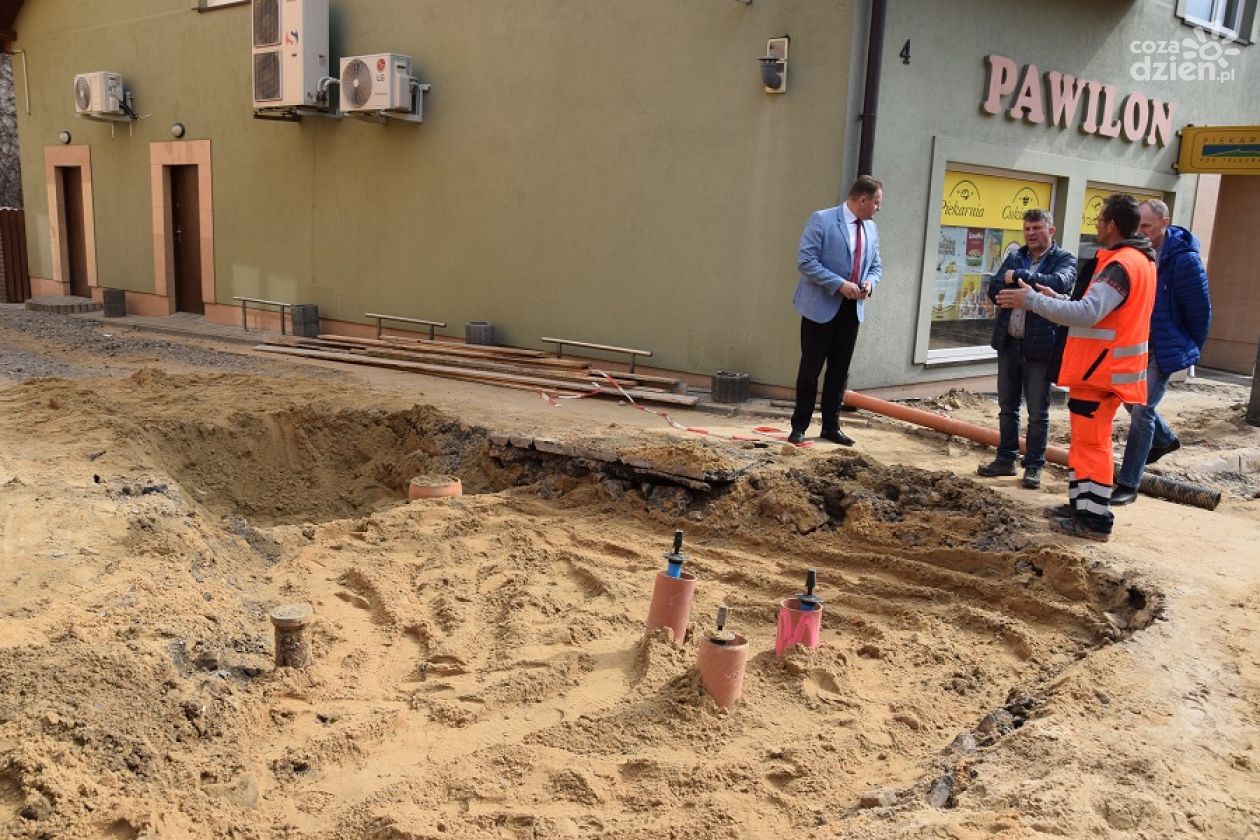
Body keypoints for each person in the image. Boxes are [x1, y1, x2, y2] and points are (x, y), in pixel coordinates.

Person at [996, 194, 1156, 542]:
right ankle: (1082, 508)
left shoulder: (1121, 264)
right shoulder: (1135, 260)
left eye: (1099, 220)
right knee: (1085, 444)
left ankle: (1094, 519)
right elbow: (1095, 309)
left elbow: (1088, 313)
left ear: (1112, 225)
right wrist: (1055, 299)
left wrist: (1032, 301)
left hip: (1101, 371)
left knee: (1093, 446)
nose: (1095, 225)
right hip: (1101, 371)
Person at [1110, 199, 1212, 505]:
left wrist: (1186, 348)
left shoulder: (1185, 260)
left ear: (1164, 224)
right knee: (1128, 397)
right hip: (1136, 341)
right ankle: (1165, 439)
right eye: (1137, 225)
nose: (1140, 231)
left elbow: (1200, 312)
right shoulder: (1138, 252)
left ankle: (1128, 483)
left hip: (1164, 346)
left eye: (1146, 226)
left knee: (1142, 409)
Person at [976, 209, 1076, 490]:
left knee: (1037, 413)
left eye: (1036, 228)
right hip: (1009, 344)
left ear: (1051, 230)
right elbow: (994, 288)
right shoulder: (1016, 255)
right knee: (1007, 407)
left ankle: (1033, 466)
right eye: (1027, 228)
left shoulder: (1064, 259)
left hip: (1039, 347)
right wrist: (1015, 281)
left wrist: (1017, 277)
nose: (1030, 233)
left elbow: (1058, 283)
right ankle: (1005, 459)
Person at [788, 175, 883, 446]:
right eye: (876, 203)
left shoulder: (871, 228)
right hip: (820, 308)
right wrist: (839, 284)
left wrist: (869, 283)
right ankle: (799, 427)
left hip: (851, 310)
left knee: (839, 371)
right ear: (862, 200)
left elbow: (876, 266)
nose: (879, 208)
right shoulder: (822, 220)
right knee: (810, 371)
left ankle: (831, 426)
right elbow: (806, 261)